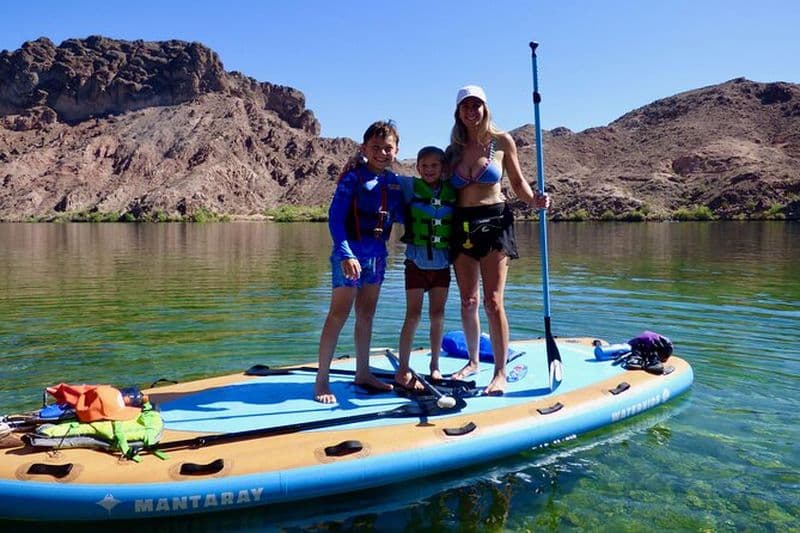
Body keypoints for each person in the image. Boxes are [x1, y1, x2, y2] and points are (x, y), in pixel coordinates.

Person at [446, 85, 550, 396]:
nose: (471, 111)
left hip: (494, 222)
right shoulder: (452, 150)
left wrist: (535, 200)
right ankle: (473, 362)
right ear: (458, 112)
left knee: (492, 302)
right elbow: (432, 182)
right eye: (465, 106)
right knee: (468, 301)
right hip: (461, 225)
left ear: (485, 108)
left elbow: (517, 183)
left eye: (476, 105)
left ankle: (500, 372)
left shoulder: (502, 141)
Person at [314, 120, 406, 404]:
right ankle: (322, 380)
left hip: (377, 259)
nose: (381, 153)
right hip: (349, 257)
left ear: (396, 150)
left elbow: (406, 212)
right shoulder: (352, 179)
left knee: (366, 314)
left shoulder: (394, 182)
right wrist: (346, 253)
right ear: (364, 148)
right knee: (338, 315)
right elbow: (335, 218)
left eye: (387, 148)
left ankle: (363, 373)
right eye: (375, 147)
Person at [395, 146, 455, 390]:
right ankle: (403, 367)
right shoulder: (410, 186)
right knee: (413, 315)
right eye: (424, 166)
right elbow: (383, 175)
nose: (429, 169)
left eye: (434, 165)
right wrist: (358, 161)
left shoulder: (453, 189)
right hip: (415, 264)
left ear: (443, 168)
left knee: (437, 315)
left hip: (442, 266)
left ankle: (435, 364)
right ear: (418, 167)